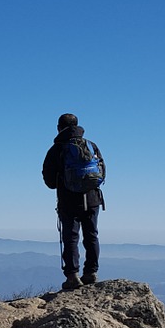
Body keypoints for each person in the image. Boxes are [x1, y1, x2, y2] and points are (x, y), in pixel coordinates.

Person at [42, 113, 105, 290]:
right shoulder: (91, 146)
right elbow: (102, 172)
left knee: (70, 237)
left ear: (58, 128)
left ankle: (72, 276)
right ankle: (91, 273)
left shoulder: (57, 149)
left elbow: (49, 181)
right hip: (92, 199)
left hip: (68, 200)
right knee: (91, 235)